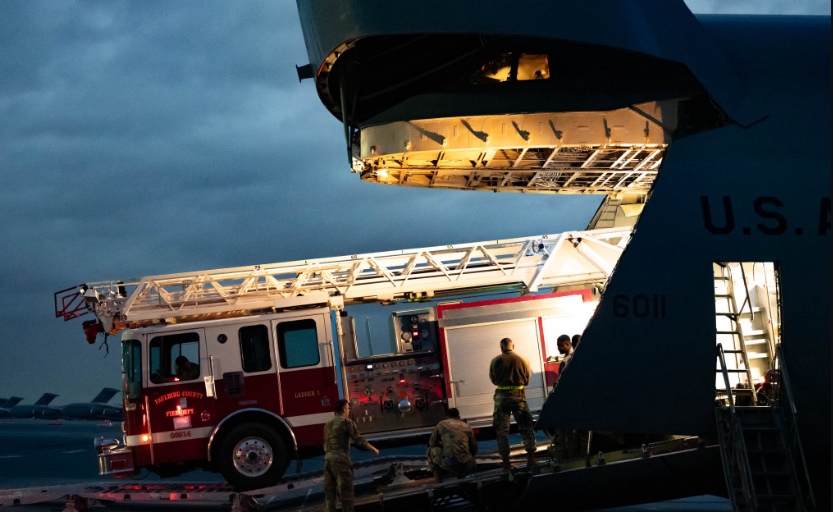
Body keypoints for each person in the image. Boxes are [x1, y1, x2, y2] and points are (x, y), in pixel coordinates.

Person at [323, 399, 379, 512]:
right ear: (344, 409)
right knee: (346, 495)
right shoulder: (346, 422)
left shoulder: (327, 425)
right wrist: (373, 449)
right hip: (340, 460)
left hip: (328, 460)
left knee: (330, 496)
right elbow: (359, 440)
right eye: (348, 408)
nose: (349, 410)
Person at [489, 338, 536, 470]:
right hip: (518, 396)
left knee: (502, 431)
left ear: (501, 347)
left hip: (501, 398)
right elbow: (526, 381)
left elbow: (493, 380)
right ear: (513, 346)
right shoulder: (523, 360)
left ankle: (506, 463)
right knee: (526, 427)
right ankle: (531, 459)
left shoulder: (495, 360)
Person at [427, 408, 478, 481]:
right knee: (462, 455)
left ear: (447, 417)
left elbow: (432, 443)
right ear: (459, 417)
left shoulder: (442, 424)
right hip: (468, 463)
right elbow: (474, 448)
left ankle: (439, 483)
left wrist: (443, 445)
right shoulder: (467, 426)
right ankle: (462, 478)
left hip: (450, 463)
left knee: (430, 451)